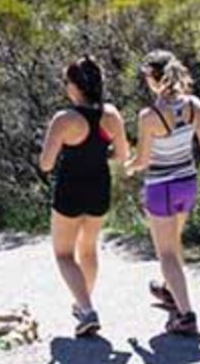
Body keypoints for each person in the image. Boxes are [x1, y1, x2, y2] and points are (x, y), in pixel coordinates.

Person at [125, 49, 200, 336]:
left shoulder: (149, 116)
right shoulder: (195, 106)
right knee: (174, 243)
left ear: (152, 78)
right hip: (188, 184)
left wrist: (128, 166)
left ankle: (185, 316)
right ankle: (170, 290)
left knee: (167, 254)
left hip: (160, 188)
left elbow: (144, 160)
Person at [39, 55, 131, 337]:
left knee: (64, 254)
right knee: (88, 249)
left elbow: (46, 163)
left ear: (76, 86)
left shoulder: (64, 120)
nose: (65, 87)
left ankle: (87, 310)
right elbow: (123, 155)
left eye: (67, 82)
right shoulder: (111, 116)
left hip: (70, 190)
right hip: (99, 187)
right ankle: (83, 305)